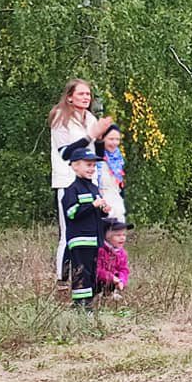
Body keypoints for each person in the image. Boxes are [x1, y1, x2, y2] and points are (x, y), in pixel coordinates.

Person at [49, 79, 112, 282]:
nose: (86, 97)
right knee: (69, 231)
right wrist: (90, 135)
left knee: (92, 228)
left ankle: (87, 278)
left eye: (88, 94)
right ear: (69, 97)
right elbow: (67, 153)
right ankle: (62, 278)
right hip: (67, 180)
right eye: (81, 94)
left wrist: (101, 138)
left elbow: (97, 153)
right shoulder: (60, 118)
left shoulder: (90, 118)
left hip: (90, 180)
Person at [61, 147, 109, 309]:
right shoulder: (72, 189)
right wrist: (92, 205)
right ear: (75, 166)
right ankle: (80, 304)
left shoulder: (94, 188)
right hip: (80, 240)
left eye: (93, 166)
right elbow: (71, 212)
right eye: (88, 165)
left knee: (92, 271)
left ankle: (89, 303)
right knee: (81, 271)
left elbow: (95, 215)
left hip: (94, 240)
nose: (91, 169)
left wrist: (103, 210)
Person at [96, 124, 127, 222]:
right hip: (102, 204)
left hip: (116, 201)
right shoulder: (95, 160)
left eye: (117, 139)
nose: (115, 142)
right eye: (111, 139)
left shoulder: (118, 159)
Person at [97, 219, 132, 299]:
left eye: (124, 235)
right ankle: (98, 294)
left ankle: (110, 293)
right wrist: (111, 277)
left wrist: (121, 280)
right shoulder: (100, 250)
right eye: (118, 235)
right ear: (108, 237)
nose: (122, 238)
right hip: (98, 282)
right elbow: (97, 270)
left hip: (113, 282)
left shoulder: (122, 253)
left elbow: (123, 269)